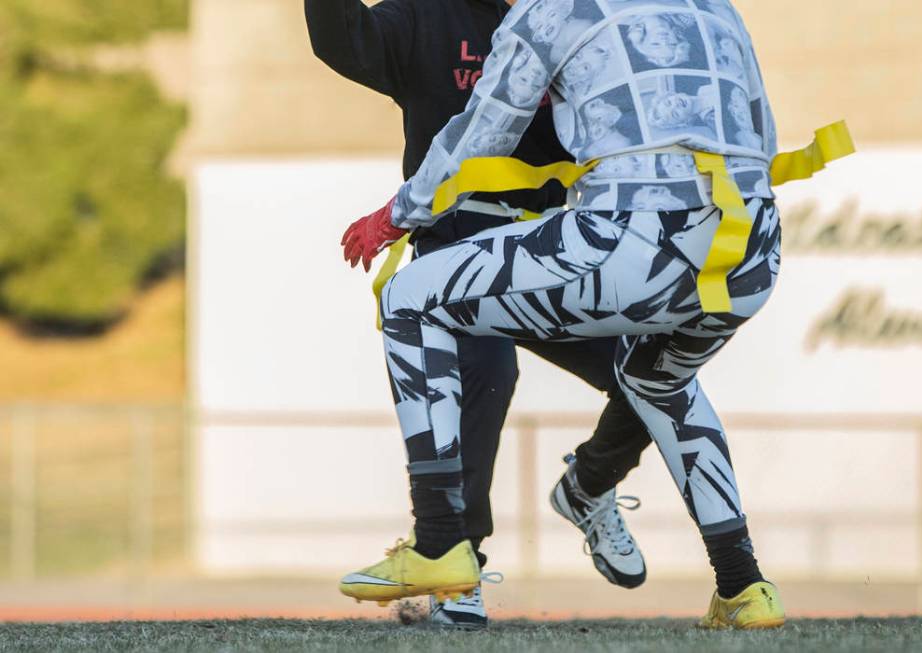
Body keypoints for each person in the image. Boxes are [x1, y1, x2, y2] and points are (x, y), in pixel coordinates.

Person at [340, 0, 786, 630]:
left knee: (410, 299)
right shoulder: (715, 7)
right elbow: (761, 136)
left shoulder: (551, 9)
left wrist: (395, 216)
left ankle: (440, 542)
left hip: (634, 235)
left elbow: (481, 132)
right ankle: (744, 587)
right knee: (659, 379)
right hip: (750, 250)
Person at [306, 0, 653, 629]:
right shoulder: (423, 17)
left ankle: (589, 486)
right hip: (460, 244)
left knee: (656, 372)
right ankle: (457, 566)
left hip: (553, 243)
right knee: (485, 377)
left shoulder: (566, 18)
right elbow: (343, 40)